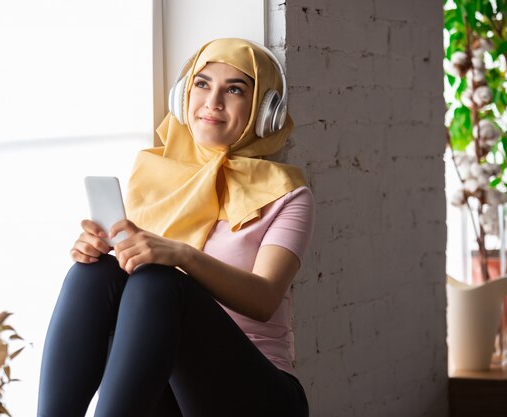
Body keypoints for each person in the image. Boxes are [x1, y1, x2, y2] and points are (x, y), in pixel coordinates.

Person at [37, 38, 315, 417]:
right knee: (94, 273)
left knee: (160, 282)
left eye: (234, 90)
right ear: (183, 96)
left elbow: (265, 299)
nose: (213, 102)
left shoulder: (288, 195)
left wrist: (184, 256)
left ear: (263, 110)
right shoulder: (154, 173)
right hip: (164, 383)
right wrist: (102, 248)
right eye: (202, 84)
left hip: (256, 390)